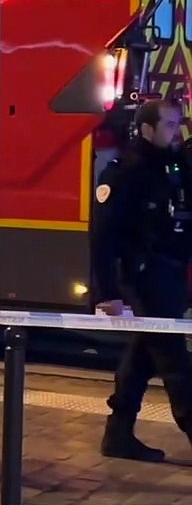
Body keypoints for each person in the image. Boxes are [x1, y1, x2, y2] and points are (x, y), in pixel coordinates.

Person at [93, 98, 192, 462]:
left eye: (179, 124)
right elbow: (102, 237)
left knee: (142, 357)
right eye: (170, 125)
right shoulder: (126, 172)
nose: (176, 132)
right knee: (174, 359)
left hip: (171, 274)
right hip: (145, 276)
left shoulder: (173, 165)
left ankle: (118, 435)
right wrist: (108, 293)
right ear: (147, 129)